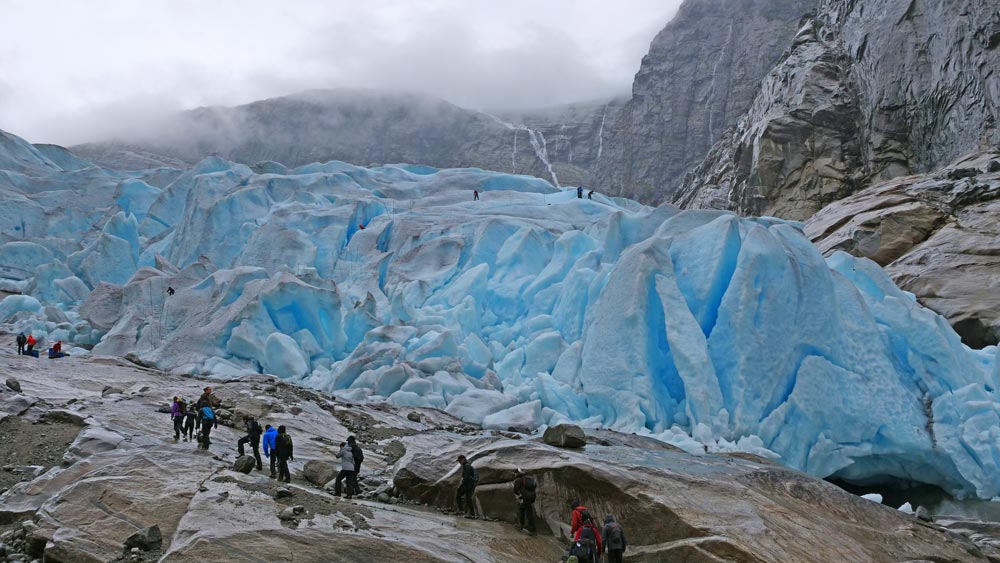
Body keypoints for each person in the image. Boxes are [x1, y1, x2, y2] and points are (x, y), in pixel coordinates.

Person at [513, 468, 537, 534]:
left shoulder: (518, 480)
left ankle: (532, 529)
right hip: (532, 497)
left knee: (527, 512)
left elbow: (515, 490)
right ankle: (522, 525)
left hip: (525, 497)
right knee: (522, 509)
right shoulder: (530, 478)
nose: (514, 474)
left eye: (515, 473)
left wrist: (520, 496)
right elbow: (535, 486)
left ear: (517, 473)